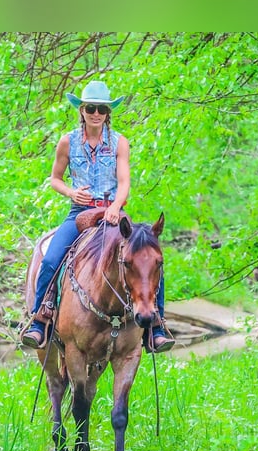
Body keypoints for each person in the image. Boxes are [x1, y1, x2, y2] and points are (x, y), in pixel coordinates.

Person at [21, 80, 175, 353]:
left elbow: (124, 181)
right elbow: (54, 179)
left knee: (149, 258)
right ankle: (40, 318)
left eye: (101, 109)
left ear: (107, 113)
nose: (96, 113)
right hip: (80, 212)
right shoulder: (67, 142)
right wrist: (70, 192)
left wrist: (116, 206)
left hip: (113, 213)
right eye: (90, 108)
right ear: (81, 110)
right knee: (52, 258)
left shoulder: (119, 142)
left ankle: (156, 326)